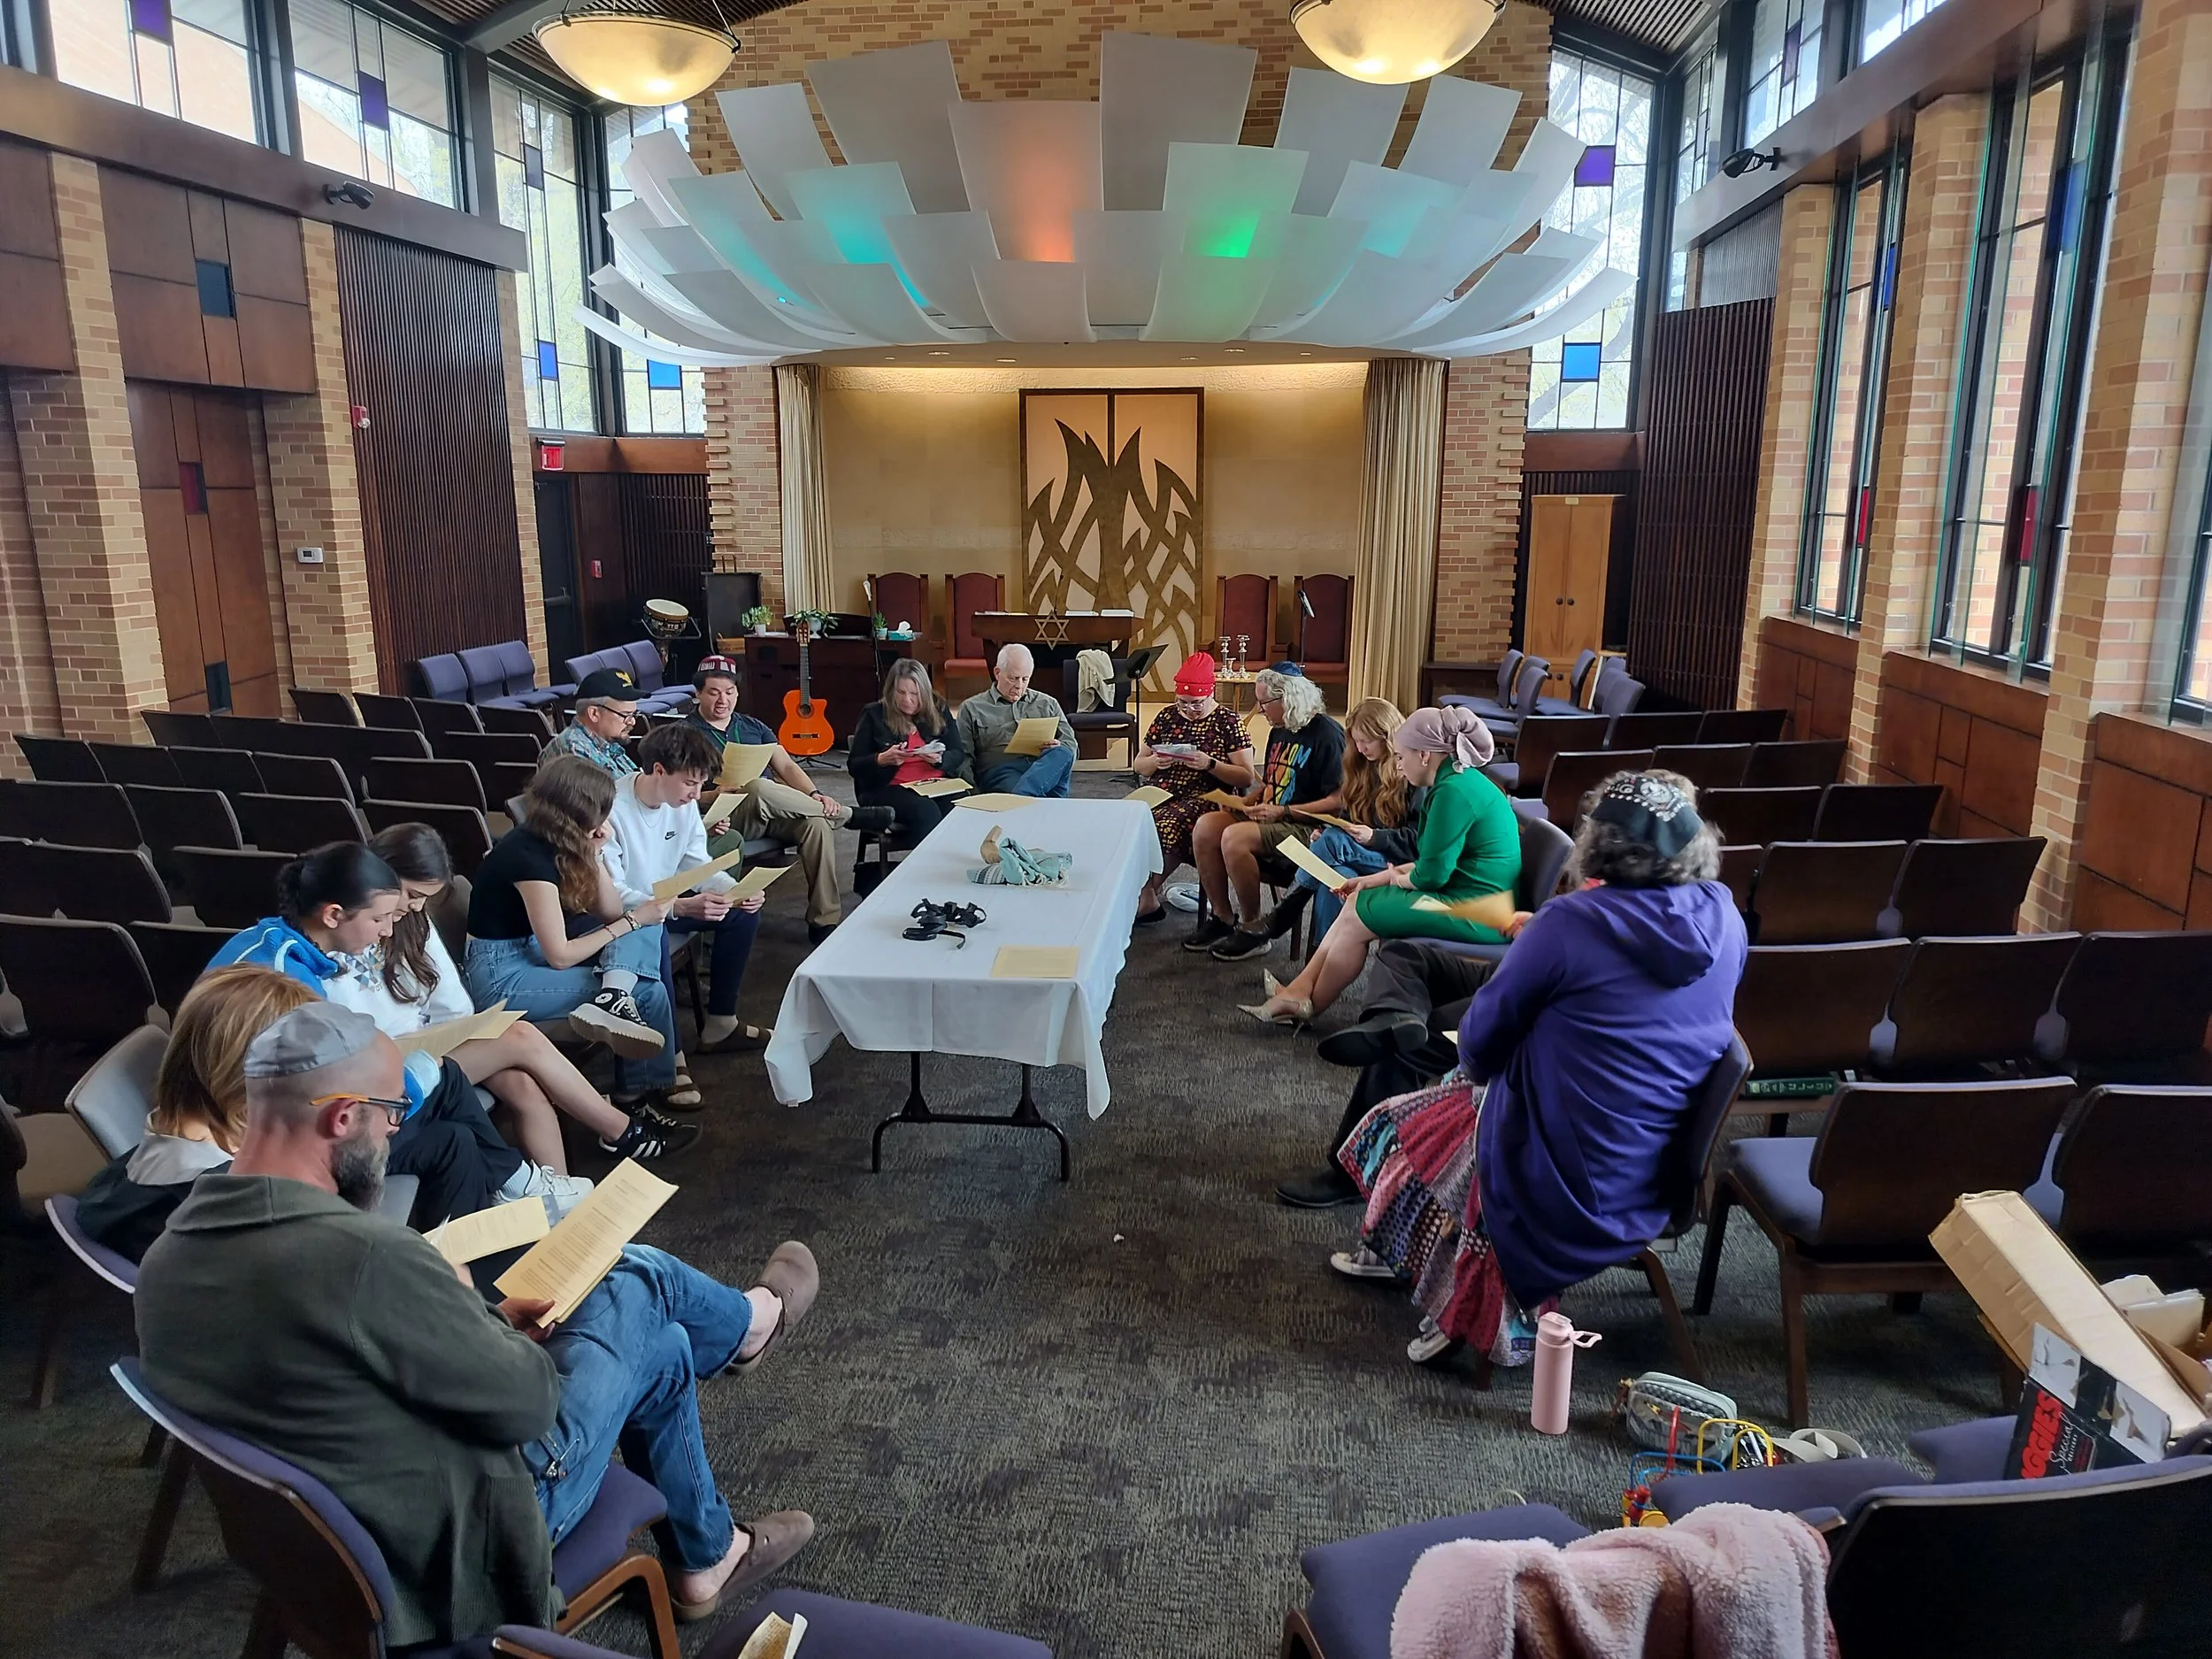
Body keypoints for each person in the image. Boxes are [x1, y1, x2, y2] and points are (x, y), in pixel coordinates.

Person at [134, 1001, 821, 1648]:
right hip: (461, 1541)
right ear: (344, 1118)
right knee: (634, 1282)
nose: (398, 1127)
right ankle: (746, 1329)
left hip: (324, 1545)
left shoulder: (171, 1251)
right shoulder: (369, 1256)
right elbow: (529, 1404)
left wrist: (475, 1320)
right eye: (393, 1111)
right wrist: (465, 1305)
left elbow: (328, 1357)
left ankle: (707, 1552)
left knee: (662, 1343)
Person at [1333, 771, 1747, 1367]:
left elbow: (1477, 1047)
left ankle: (1456, 1292)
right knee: (1445, 1105)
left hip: (1556, 1169)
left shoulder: (1571, 922)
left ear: (1596, 846)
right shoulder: (1724, 917)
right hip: (1654, 1162)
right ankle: (1415, 1254)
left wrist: (1543, 949)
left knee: (1395, 1124)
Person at [206, 849, 586, 1222]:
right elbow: (318, 1099)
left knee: (455, 1141)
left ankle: (460, 1257)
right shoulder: (284, 983)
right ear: (334, 915)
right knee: (444, 1077)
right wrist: (408, 1086)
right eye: (379, 919)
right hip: (275, 1144)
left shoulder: (284, 948)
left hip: (290, 1121)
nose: (388, 930)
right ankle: (518, 1185)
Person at [331, 822, 641, 1192]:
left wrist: (455, 1035)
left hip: (432, 1047)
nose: (415, 907)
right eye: (411, 894)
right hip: (395, 1067)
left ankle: (561, 1193)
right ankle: (619, 1130)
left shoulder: (412, 920)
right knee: (519, 1037)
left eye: (423, 899)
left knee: (524, 1087)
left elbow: (451, 1001)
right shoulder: (348, 934)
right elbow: (356, 1029)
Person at [463, 757, 698, 1148]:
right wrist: (630, 924)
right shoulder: (527, 857)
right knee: (647, 985)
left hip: (531, 950)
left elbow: (608, 909)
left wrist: (598, 853)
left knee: (644, 924)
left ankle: (615, 1001)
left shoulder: (560, 840)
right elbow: (560, 955)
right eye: (602, 812)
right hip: (501, 974)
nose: (607, 819)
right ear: (578, 813)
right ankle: (630, 1104)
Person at [1239, 705, 1520, 1025]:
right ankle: (1298, 994)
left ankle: (1307, 1004)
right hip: (1470, 895)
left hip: (1477, 909)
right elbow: (1430, 864)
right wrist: (1372, 881)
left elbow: (1431, 875)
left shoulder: (1450, 794)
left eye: (1401, 757)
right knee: (1357, 899)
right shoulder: (1456, 782)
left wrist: (1386, 880)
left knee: (1359, 913)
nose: (1398, 767)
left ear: (1425, 755)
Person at [1273, 941, 1497, 1210]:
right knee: (1401, 954)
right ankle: (1396, 1017)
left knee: (1408, 1048)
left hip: (1535, 1007)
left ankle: (1355, 1173)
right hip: (1510, 972)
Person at [684, 655, 889, 944]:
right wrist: (712, 795)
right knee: (756, 786)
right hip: (724, 818)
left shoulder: (753, 726)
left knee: (815, 824)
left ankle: (824, 921)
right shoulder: (685, 733)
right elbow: (676, 791)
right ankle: (847, 815)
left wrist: (815, 794)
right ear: (698, 694)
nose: (723, 700)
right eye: (714, 693)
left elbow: (788, 767)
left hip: (771, 810)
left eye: (729, 692)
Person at [605, 724, 771, 1065]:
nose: (697, 794)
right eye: (690, 782)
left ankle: (721, 1022)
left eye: (701, 784)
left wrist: (736, 892)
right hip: (628, 919)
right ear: (658, 771)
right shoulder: (612, 808)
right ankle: (671, 1055)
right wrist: (680, 907)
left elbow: (697, 863)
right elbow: (612, 895)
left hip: (667, 906)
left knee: (742, 915)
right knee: (653, 931)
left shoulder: (680, 802)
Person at [1185, 664, 1346, 960]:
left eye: (1263, 703)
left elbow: (1337, 801)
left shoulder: (1327, 734)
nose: (1259, 710)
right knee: (1206, 827)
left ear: (1289, 698)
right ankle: (1223, 917)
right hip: (1271, 814)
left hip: (1306, 826)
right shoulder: (1280, 731)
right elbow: (1272, 782)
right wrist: (1246, 802)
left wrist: (1283, 810)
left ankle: (1253, 928)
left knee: (1235, 838)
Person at [1270, 696, 1416, 944]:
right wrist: (1327, 828)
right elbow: (1348, 817)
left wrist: (1374, 837)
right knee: (1336, 880)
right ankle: (1322, 963)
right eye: (1356, 741)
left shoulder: (1410, 773)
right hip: (1361, 856)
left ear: (1386, 737)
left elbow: (1417, 841)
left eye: (1366, 741)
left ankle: (1289, 907)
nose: (1360, 748)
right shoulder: (1361, 765)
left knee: (1333, 844)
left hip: (1400, 864)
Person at [1128, 650, 1254, 924]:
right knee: (1128, 818)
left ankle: (1146, 894)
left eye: (1196, 704)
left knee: (1168, 823)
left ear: (1211, 695)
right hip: (1161, 790)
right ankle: (1141, 892)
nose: (1188, 710)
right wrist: (1155, 762)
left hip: (1206, 795)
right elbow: (1139, 765)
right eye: (1182, 703)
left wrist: (1211, 764)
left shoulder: (1228, 722)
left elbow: (1246, 777)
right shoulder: (1166, 717)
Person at [846, 657, 969, 865]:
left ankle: (953, 869)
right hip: (889, 787)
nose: (908, 700)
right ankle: (927, 872)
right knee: (926, 811)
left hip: (935, 783)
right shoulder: (874, 714)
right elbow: (854, 765)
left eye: (914, 694)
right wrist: (880, 760)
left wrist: (940, 759)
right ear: (891, 691)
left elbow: (958, 752)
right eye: (901, 693)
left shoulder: (938, 709)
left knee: (962, 805)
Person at [955, 642, 1077, 798]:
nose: (1019, 686)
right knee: (1049, 800)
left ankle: (1022, 797)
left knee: (1062, 752)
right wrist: (972, 794)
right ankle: (1032, 800)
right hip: (1003, 772)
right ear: (997, 673)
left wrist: (1057, 746)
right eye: (1013, 678)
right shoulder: (972, 708)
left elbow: (1070, 744)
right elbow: (963, 757)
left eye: (1025, 679)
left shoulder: (1047, 703)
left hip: (1044, 769)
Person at [541, 666, 642, 777]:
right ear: (594, 714)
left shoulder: (608, 743)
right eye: (626, 715)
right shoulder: (573, 753)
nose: (632, 722)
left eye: (634, 714)